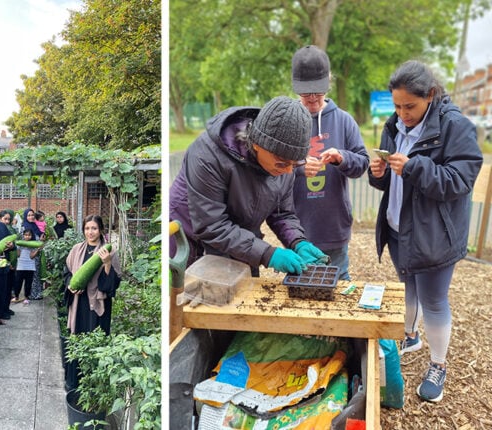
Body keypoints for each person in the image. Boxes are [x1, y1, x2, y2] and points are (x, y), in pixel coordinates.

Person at [368, 60, 482, 403]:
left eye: (410, 106)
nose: (402, 113)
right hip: (399, 227)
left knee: (433, 299)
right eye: (397, 105)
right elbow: (392, 181)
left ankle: (438, 364)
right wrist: (379, 173)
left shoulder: (456, 126)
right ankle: (410, 335)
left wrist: (415, 167)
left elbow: (460, 181)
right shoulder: (394, 125)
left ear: (430, 95)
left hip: (435, 234)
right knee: (409, 288)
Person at [169, 96, 326, 276]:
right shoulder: (207, 156)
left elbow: (282, 213)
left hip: (238, 237)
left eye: (296, 163)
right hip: (191, 239)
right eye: (282, 163)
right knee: (193, 297)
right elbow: (212, 226)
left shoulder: (284, 165)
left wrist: (298, 241)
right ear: (258, 144)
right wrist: (268, 254)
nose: (290, 171)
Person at [290, 45, 370, 281]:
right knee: (303, 286)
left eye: (318, 91)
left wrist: (342, 158)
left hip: (334, 227)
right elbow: (272, 169)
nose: (312, 98)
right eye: (306, 93)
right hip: (299, 229)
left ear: (328, 83)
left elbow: (362, 162)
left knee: (337, 283)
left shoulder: (344, 120)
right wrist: (299, 167)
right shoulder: (289, 121)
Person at [63, 215, 121, 391]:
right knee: (77, 339)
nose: (90, 232)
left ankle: (91, 385)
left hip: (97, 305)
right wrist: (71, 286)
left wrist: (107, 264)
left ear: (101, 230)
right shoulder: (76, 250)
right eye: (87, 228)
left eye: (94, 228)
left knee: (94, 340)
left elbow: (111, 286)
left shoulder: (109, 252)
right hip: (78, 302)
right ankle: (73, 383)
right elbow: (67, 273)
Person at [13, 228, 40, 305]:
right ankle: (16, 296)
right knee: (18, 282)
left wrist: (37, 250)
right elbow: (18, 255)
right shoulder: (20, 244)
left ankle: (26, 298)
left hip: (30, 266)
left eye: (29, 235)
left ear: (32, 236)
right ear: (23, 235)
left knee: (28, 283)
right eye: (26, 235)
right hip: (20, 266)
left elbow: (32, 256)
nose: (27, 237)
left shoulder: (33, 244)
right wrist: (17, 247)